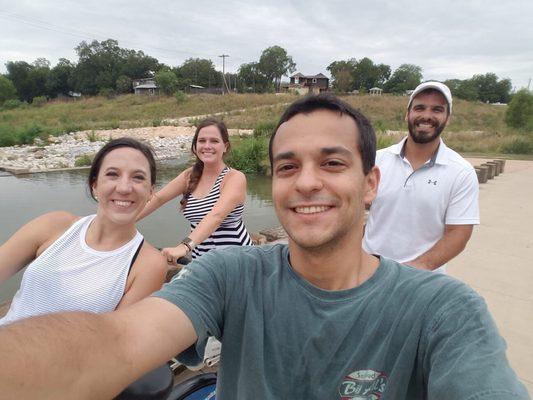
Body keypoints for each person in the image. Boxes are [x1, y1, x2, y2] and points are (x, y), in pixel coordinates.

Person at [0, 95, 528, 399]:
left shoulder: (444, 311)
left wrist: (175, 247)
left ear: (371, 184)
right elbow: (113, 344)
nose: (305, 183)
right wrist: (117, 215)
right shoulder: (231, 278)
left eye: (333, 163)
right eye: (287, 167)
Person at [0, 138, 167, 325]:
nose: (124, 188)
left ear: (151, 191)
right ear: (94, 184)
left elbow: (117, 339)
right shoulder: (54, 225)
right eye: (113, 174)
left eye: (138, 177)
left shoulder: (148, 264)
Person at [363, 81, 479, 272]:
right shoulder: (377, 160)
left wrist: (416, 268)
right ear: (407, 114)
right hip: (368, 271)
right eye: (419, 108)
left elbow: (458, 233)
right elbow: (354, 209)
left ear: (447, 118)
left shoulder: (461, 172)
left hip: (422, 280)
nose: (426, 115)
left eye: (437, 109)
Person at [137, 118, 252, 265]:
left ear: (225, 146)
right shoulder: (189, 176)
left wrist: (184, 246)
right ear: (195, 145)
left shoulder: (234, 178)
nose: (207, 146)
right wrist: (125, 221)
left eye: (214, 141)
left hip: (238, 260)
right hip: (204, 262)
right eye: (202, 141)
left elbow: (216, 216)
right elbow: (159, 199)